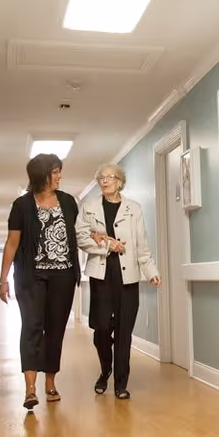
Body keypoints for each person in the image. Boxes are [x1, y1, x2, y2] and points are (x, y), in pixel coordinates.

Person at [0, 154, 81, 410]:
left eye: (59, 172)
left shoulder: (68, 202)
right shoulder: (22, 205)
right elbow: (12, 243)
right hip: (31, 276)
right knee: (32, 327)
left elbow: (79, 233)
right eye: (55, 172)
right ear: (41, 175)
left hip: (63, 275)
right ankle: (30, 389)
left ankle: (50, 383)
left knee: (55, 330)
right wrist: (2, 280)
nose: (59, 176)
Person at [76, 163, 161, 399]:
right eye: (101, 178)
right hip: (101, 274)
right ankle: (105, 370)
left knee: (124, 331)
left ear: (120, 182)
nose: (105, 181)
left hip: (128, 276)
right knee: (101, 328)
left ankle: (121, 383)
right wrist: (107, 243)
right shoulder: (89, 207)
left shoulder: (134, 208)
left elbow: (142, 246)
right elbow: (81, 237)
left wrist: (151, 270)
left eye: (110, 177)